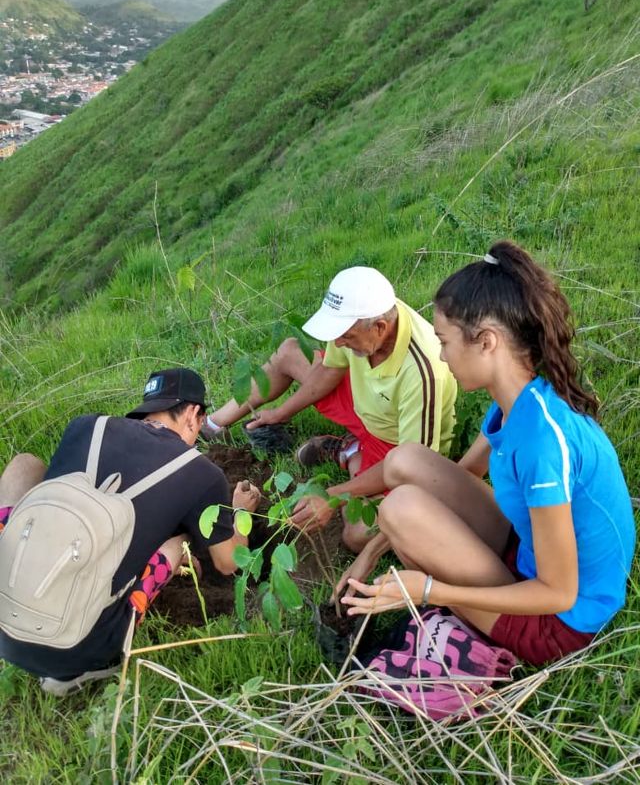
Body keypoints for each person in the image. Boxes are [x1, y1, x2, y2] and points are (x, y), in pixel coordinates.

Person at [340, 241, 636, 666]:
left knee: (399, 509)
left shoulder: (541, 444)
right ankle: (458, 586)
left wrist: (430, 590)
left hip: (558, 620)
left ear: (486, 342)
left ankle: (464, 623)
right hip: (529, 550)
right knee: (406, 461)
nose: (441, 355)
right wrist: (371, 552)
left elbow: (559, 592)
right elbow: (453, 481)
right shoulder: (522, 398)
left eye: (444, 342)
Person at [0, 368, 260, 695]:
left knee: (25, 465)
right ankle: (82, 668)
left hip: (6, 626)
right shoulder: (202, 474)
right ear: (193, 415)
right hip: (77, 647)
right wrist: (241, 513)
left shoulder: (85, 426)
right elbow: (228, 563)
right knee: (178, 541)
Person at [204, 266, 457, 550]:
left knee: (357, 534)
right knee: (289, 352)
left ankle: (352, 454)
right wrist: (281, 412)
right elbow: (329, 369)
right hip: (365, 404)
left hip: (397, 447)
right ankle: (211, 424)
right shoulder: (361, 320)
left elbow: (412, 465)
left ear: (380, 328)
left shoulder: (423, 374)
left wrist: (332, 495)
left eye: (346, 336)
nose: (337, 342)